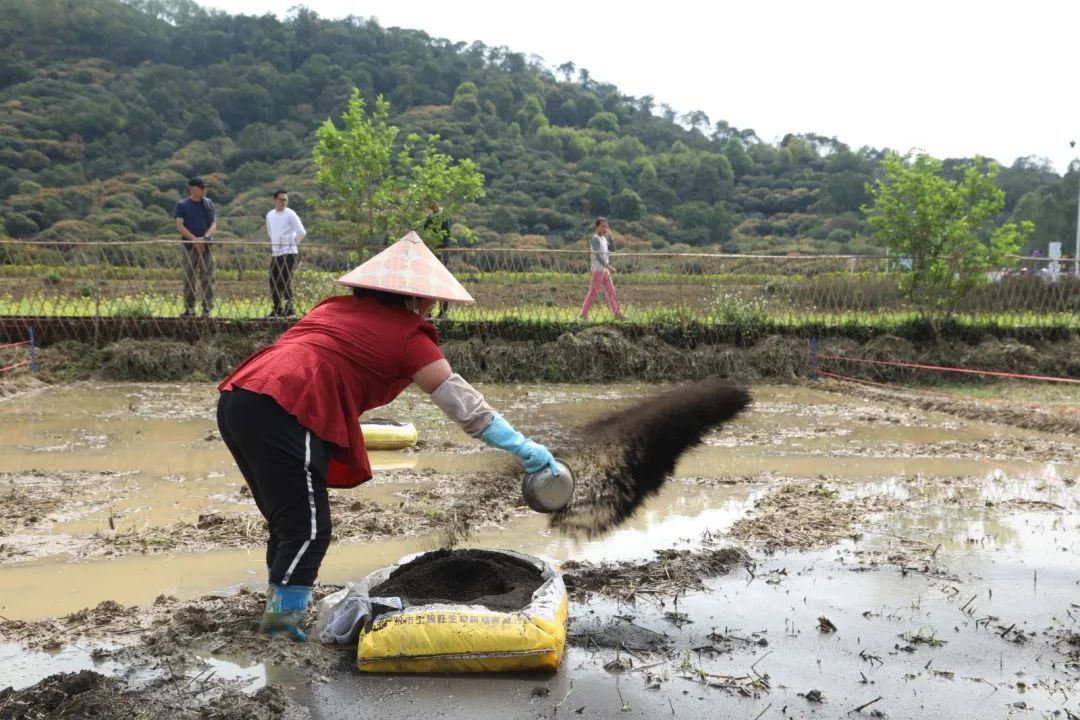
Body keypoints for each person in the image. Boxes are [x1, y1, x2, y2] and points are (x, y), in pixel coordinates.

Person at [216, 231, 560, 641]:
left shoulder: (334, 309)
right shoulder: (409, 337)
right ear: (418, 298)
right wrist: (523, 447)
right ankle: (281, 627)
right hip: (291, 401)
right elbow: (463, 404)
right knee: (308, 527)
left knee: (289, 519)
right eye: (431, 300)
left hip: (240, 395)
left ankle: (280, 610)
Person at [174, 177, 217, 318]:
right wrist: (194, 239)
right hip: (189, 246)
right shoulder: (182, 205)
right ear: (193, 189)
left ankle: (207, 309)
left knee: (207, 277)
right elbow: (179, 225)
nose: (205, 190)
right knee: (189, 277)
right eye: (201, 187)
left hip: (207, 246)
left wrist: (204, 239)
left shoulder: (208, 203)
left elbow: (213, 224)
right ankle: (189, 308)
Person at [265, 189, 306, 318]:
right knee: (273, 280)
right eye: (281, 199)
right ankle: (277, 309)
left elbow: (301, 232)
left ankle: (290, 309)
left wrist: (292, 243)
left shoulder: (290, 214)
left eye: (285, 200)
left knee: (284, 280)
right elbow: (270, 232)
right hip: (276, 252)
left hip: (289, 252)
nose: (283, 202)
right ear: (275, 200)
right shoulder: (270, 215)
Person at [579, 217, 625, 319]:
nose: (604, 228)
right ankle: (584, 313)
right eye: (602, 226)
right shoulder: (595, 239)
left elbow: (613, 249)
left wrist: (610, 236)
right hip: (597, 270)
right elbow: (597, 256)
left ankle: (617, 313)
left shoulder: (604, 239)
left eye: (606, 227)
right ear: (597, 227)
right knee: (593, 291)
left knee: (611, 292)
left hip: (605, 271)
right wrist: (608, 266)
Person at [423, 208, 452, 319]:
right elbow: (426, 233)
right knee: (429, 282)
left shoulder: (443, 215)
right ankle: (428, 311)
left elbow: (447, 234)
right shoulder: (430, 216)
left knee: (442, 281)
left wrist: (441, 249)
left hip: (440, 252)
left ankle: (443, 311)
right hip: (430, 251)